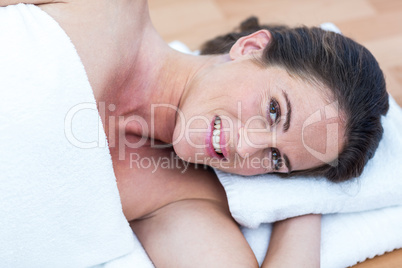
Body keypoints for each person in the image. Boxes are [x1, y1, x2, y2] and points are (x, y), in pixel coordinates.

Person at [1, 1, 388, 267]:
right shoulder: (109, 9)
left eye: (275, 159)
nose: (246, 146)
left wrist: (308, 201)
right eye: (273, 111)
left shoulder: (180, 200)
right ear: (251, 47)